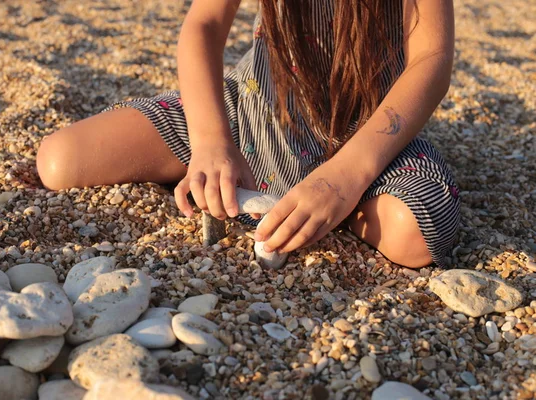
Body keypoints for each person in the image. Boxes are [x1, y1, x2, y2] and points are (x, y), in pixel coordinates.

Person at [36, 0, 460, 269]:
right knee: (61, 160)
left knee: (413, 235)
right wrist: (210, 141)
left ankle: (328, 201)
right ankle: (230, 174)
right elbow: (203, 25)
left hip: (363, 136)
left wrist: (344, 179)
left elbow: (431, 59)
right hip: (251, 110)